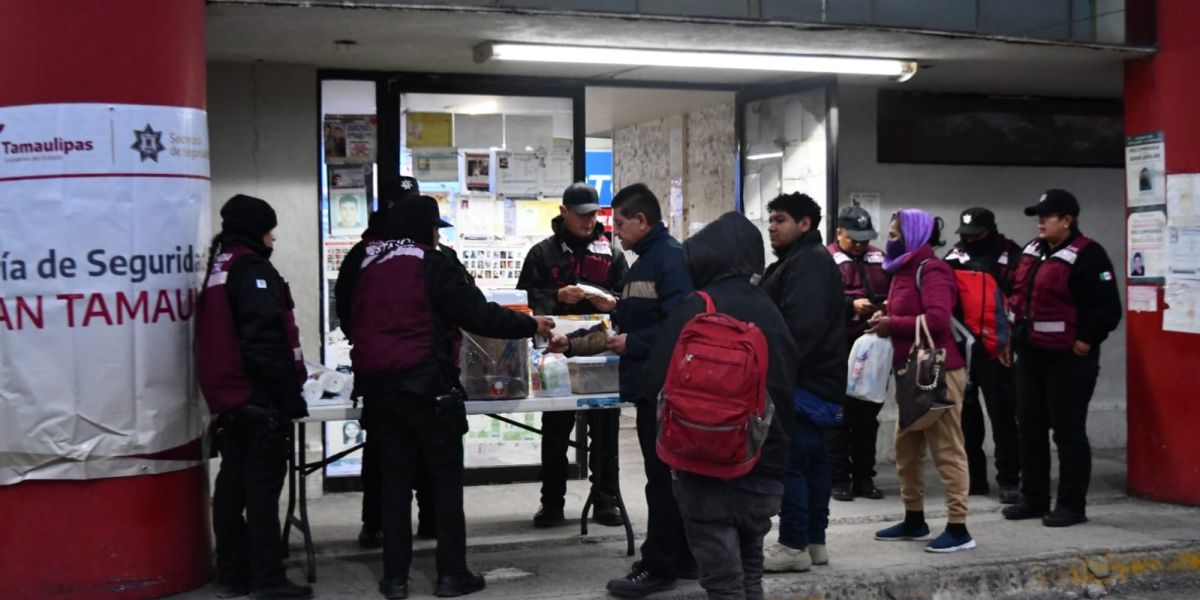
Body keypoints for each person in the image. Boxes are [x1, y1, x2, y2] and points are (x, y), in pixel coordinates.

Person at [343, 194, 555, 599]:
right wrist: (530, 326)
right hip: (426, 388)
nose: (438, 237)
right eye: (435, 229)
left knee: (394, 484)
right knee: (444, 481)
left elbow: (349, 316)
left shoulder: (367, 261)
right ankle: (450, 574)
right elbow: (476, 314)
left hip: (378, 390)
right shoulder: (431, 263)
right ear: (424, 230)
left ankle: (394, 579)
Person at [643, 212, 798, 600]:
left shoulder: (698, 305)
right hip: (766, 463)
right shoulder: (771, 309)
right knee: (749, 574)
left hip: (707, 465)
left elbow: (652, 383)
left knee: (723, 584)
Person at [195, 194, 313, 599]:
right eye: (269, 229)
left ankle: (231, 573)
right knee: (262, 493)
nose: (274, 238)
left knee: (231, 488)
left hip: (228, 397)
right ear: (254, 230)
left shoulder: (220, 266)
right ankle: (267, 578)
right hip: (256, 397)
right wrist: (288, 394)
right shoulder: (252, 269)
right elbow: (264, 341)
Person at [1002, 189, 1122, 528]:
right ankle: (1034, 498)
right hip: (1030, 353)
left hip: (1068, 360)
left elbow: (1107, 309)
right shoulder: (1032, 251)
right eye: (1038, 216)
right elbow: (1014, 294)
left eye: (1047, 216)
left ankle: (1071, 505)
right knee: (1030, 428)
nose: (1040, 222)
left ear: (1067, 220)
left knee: (1068, 433)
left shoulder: (1090, 255)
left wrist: (1085, 342)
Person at [517, 182, 629, 529]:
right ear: (563, 212)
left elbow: (628, 300)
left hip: (601, 352)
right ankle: (551, 504)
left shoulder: (612, 252)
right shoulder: (542, 253)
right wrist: (555, 297)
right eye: (581, 215)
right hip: (556, 353)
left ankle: (606, 499)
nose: (588, 221)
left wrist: (612, 302)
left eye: (593, 214)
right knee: (555, 431)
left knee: (605, 431)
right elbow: (525, 300)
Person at [603, 183, 696, 599]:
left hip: (662, 386)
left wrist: (633, 343)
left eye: (620, 223)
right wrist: (614, 310)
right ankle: (682, 556)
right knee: (667, 478)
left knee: (662, 479)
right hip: (648, 385)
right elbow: (646, 310)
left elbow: (679, 323)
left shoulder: (668, 258)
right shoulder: (645, 260)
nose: (615, 232)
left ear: (642, 220)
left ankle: (661, 565)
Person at [335, 176, 438, 550]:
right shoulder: (368, 252)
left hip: (392, 370)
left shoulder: (379, 252)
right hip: (403, 372)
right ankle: (380, 524)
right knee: (387, 452)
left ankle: (421, 522)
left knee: (399, 450)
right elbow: (346, 307)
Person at [867, 209, 974, 553]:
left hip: (938, 369)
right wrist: (884, 315)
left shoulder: (933, 269)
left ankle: (959, 529)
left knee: (947, 448)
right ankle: (914, 519)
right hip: (913, 370)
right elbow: (907, 312)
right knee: (907, 449)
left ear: (914, 235)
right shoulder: (903, 269)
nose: (890, 239)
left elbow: (939, 319)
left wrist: (892, 324)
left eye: (897, 233)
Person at [757, 193, 845, 573]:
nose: (772, 227)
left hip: (803, 382)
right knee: (813, 462)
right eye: (770, 219)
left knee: (792, 462)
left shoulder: (807, 264)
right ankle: (813, 541)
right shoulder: (803, 261)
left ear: (805, 223)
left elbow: (800, 330)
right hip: (818, 380)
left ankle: (793, 544)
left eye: (780, 220)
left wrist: (776, 374)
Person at [944, 207, 1023, 504]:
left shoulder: (1011, 256)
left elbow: (1020, 298)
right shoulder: (954, 257)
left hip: (997, 350)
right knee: (967, 419)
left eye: (975, 234)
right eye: (965, 235)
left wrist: (1010, 340)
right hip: (963, 349)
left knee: (1003, 417)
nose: (969, 240)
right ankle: (975, 479)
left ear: (990, 230)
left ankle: (1009, 480)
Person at [825, 205, 891, 503]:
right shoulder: (825, 260)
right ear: (839, 232)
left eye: (865, 239)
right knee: (839, 417)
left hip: (874, 349)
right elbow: (818, 301)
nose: (862, 245)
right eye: (855, 239)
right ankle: (839, 479)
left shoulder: (880, 258)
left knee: (867, 417)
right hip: (840, 349)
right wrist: (849, 306)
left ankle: (864, 478)